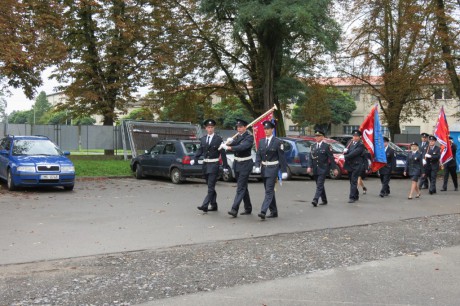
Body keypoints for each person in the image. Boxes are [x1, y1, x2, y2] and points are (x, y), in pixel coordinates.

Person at [253, 121, 288, 219]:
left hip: (273, 169)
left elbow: (282, 157)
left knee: (268, 191)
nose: (266, 131)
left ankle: (263, 211)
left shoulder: (277, 142)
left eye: (268, 129)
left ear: (272, 130)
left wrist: (284, 171)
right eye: (265, 129)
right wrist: (257, 165)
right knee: (269, 191)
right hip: (264, 169)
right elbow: (258, 154)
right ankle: (274, 211)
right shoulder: (261, 141)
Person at [192, 119, 228, 213]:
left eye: (212, 127)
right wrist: (195, 159)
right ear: (205, 128)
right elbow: (200, 150)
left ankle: (205, 205)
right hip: (205, 165)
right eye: (208, 127)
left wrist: (225, 166)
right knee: (210, 186)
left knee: (210, 187)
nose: (210, 129)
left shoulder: (218, 139)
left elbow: (223, 153)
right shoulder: (203, 139)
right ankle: (214, 205)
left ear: (214, 128)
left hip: (214, 165)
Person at [220, 119, 254, 217]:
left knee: (240, 187)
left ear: (245, 127)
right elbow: (234, 144)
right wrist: (228, 142)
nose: (239, 129)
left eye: (241, 127)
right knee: (243, 187)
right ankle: (248, 208)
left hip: (245, 164)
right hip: (237, 164)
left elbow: (242, 147)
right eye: (238, 127)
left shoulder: (249, 137)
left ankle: (234, 209)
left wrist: (229, 148)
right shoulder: (237, 137)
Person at [306, 129, 338, 207]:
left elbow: (331, 158)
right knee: (319, 185)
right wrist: (309, 166)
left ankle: (315, 199)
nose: (317, 137)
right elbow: (310, 157)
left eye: (319, 136)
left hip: (323, 168)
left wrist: (334, 168)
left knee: (320, 184)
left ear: (322, 137)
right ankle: (324, 200)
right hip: (315, 169)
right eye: (316, 136)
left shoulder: (327, 146)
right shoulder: (312, 146)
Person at [343, 130, 365, 203]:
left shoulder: (361, 144)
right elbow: (347, 150)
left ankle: (352, 197)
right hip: (349, 164)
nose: (355, 137)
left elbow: (355, 153)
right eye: (354, 136)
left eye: (356, 136)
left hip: (357, 165)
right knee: (351, 181)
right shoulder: (349, 142)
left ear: (359, 137)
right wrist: (345, 151)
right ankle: (356, 195)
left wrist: (345, 156)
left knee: (353, 181)